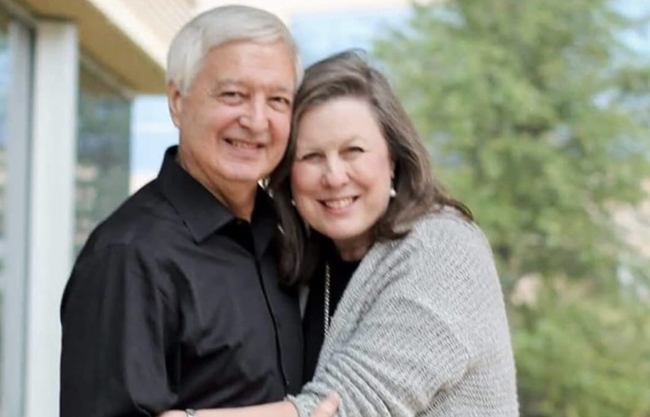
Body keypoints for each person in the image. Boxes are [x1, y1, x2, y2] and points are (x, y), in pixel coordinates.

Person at [162, 50, 519, 417]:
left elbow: (347, 406)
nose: (333, 177)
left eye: (353, 151)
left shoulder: (443, 249)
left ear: (393, 160)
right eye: (311, 156)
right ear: (288, 174)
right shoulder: (301, 266)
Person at [60, 6, 309, 416]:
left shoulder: (287, 237)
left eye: (278, 100)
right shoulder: (129, 256)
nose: (256, 120)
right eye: (233, 95)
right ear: (177, 102)